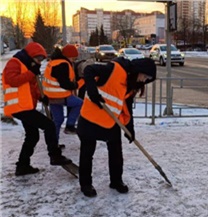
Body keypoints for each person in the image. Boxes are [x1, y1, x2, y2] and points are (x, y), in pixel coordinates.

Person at [77, 57, 156, 197]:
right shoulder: (114, 69)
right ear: (139, 70)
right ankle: (86, 184)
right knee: (87, 153)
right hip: (90, 117)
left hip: (110, 122)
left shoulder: (131, 85)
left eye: (148, 78)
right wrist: (92, 91)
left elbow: (126, 109)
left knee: (116, 153)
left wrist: (130, 129)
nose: (144, 80)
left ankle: (116, 181)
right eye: (145, 76)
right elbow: (88, 70)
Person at [2, 42, 72, 176]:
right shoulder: (15, 63)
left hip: (25, 106)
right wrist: (30, 73)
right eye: (38, 59)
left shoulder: (28, 66)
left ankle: (22, 166)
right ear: (31, 55)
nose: (39, 62)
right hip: (19, 106)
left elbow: (33, 87)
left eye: (41, 60)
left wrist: (41, 97)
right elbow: (12, 80)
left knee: (32, 136)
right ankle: (55, 155)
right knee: (49, 125)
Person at [43, 44, 84, 146]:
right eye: (73, 58)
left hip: (51, 96)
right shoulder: (63, 65)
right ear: (69, 56)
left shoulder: (53, 62)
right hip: (60, 95)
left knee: (58, 120)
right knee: (80, 103)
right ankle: (70, 125)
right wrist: (80, 82)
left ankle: (54, 144)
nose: (74, 60)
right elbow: (66, 84)